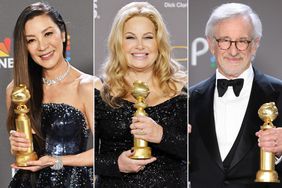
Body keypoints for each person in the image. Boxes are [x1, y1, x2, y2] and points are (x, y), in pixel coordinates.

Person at [189, 3, 282, 188]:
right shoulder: (189, 99)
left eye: (242, 41)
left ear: (255, 44)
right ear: (211, 44)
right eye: (224, 40)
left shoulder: (279, 93)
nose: (233, 51)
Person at [95, 2, 187, 187]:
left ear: (158, 42)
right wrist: (115, 164)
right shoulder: (101, 91)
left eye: (147, 37)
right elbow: (84, 157)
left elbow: (201, 154)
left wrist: (162, 135)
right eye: (130, 37)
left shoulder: (182, 92)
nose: (139, 46)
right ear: (119, 43)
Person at [6, 2, 93, 187]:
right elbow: (23, 152)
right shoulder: (17, 90)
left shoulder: (87, 86)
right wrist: (18, 146)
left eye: (48, 34)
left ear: (62, 33)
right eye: (31, 40)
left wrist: (56, 161)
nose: (42, 46)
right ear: (25, 47)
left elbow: (106, 153)